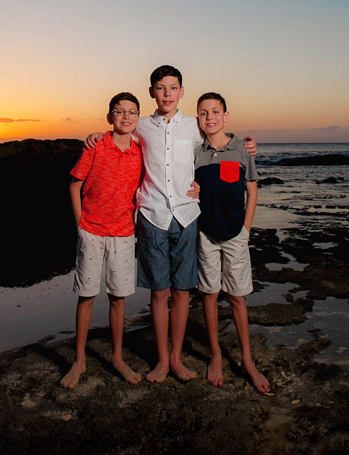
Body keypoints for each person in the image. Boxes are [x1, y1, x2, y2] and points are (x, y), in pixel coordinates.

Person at [86, 65, 256, 384]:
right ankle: (162, 361)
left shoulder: (195, 126)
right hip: (151, 215)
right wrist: (99, 135)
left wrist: (248, 146)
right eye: (161, 88)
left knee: (182, 291)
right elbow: (117, 135)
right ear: (152, 92)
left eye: (173, 87)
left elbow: (223, 144)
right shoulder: (142, 127)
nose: (167, 93)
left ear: (181, 92)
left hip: (188, 215)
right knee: (159, 292)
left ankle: (177, 358)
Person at [61, 92, 144, 389]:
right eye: (119, 112)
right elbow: (75, 186)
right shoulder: (96, 146)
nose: (125, 117)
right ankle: (79, 360)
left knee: (118, 297)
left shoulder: (140, 151)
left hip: (123, 233)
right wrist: (80, 224)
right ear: (110, 117)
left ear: (138, 117)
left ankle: (118, 358)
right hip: (92, 231)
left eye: (131, 112)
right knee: (86, 295)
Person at [194, 92, 270, 393]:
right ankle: (215, 355)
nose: (209, 117)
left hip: (235, 234)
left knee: (237, 296)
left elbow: (252, 190)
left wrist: (246, 229)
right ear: (198, 118)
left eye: (215, 112)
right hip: (205, 235)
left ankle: (247, 360)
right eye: (203, 113)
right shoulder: (195, 153)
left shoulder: (242, 149)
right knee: (209, 294)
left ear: (225, 116)